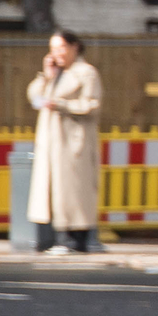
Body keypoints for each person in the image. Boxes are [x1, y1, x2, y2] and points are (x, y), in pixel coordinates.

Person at [26, 31, 103, 254]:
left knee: (74, 192)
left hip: (72, 142)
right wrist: (46, 75)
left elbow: (92, 104)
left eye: (61, 48)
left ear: (74, 47)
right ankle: (52, 238)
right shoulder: (54, 74)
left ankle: (74, 239)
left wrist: (60, 104)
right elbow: (33, 95)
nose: (56, 53)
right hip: (51, 143)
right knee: (51, 191)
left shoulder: (86, 73)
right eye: (53, 48)